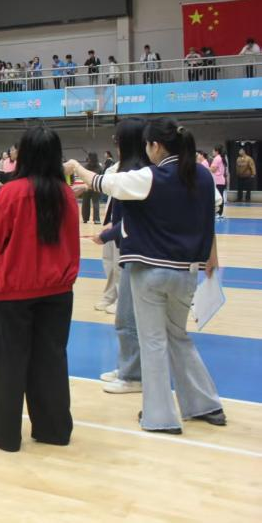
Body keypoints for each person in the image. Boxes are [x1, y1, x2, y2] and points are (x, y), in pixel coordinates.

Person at [66, 118, 225, 434]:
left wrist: (75, 167)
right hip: (186, 272)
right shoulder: (203, 176)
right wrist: (212, 254)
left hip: (149, 271)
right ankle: (205, 403)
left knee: (152, 342)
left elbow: (102, 183)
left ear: (155, 145)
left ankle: (159, 416)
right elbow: (211, 211)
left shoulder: (150, 176)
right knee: (177, 336)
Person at [0, 126, 80, 452]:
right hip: (58, 290)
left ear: (24, 155)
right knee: (52, 359)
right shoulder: (65, 194)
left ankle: (5, 434)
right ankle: (54, 429)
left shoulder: (11, 194)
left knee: (10, 361)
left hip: (15, 291)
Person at [91, 117, 149, 390]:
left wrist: (107, 234)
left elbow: (131, 221)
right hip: (130, 250)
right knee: (127, 318)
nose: (115, 143)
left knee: (127, 319)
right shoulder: (132, 170)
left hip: (137, 255)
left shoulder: (137, 173)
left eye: (117, 139)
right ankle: (129, 367)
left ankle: (133, 376)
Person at [80, 152, 103, 223]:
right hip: (96, 187)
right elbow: (101, 177)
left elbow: (82, 176)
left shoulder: (85, 167)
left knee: (85, 203)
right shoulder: (99, 167)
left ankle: (85, 219)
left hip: (87, 186)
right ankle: (96, 219)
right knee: (96, 203)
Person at [210, 145, 227, 218]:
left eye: (213, 151)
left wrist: (206, 168)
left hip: (217, 181)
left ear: (217, 151)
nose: (212, 152)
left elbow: (213, 170)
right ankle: (220, 213)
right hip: (221, 180)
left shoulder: (217, 158)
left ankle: (218, 213)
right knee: (220, 197)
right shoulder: (221, 158)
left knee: (218, 198)